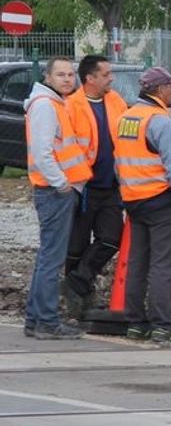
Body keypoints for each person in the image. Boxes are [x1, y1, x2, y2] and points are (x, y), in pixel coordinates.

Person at [111, 66, 171, 343]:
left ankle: (136, 323)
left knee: (139, 262)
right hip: (163, 201)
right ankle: (163, 324)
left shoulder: (127, 118)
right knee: (166, 264)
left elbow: (120, 164)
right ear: (160, 89)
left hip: (135, 200)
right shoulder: (160, 120)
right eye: (170, 86)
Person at [24, 57, 92, 339]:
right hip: (55, 192)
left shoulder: (52, 104)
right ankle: (47, 322)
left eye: (71, 74)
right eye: (61, 74)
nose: (67, 79)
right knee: (52, 259)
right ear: (48, 78)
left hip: (56, 190)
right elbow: (42, 153)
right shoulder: (46, 107)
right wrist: (62, 183)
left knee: (47, 257)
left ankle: (35, 319)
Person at [62, 55, 128, 317]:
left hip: (111, 186)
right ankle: (77, 300)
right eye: (106, 74)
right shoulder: (72, 105)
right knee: (76, 246)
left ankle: (78, 281)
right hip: (83, 187)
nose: (111, 78)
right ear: (90, 78)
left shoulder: (116, 101)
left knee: (112, 238)